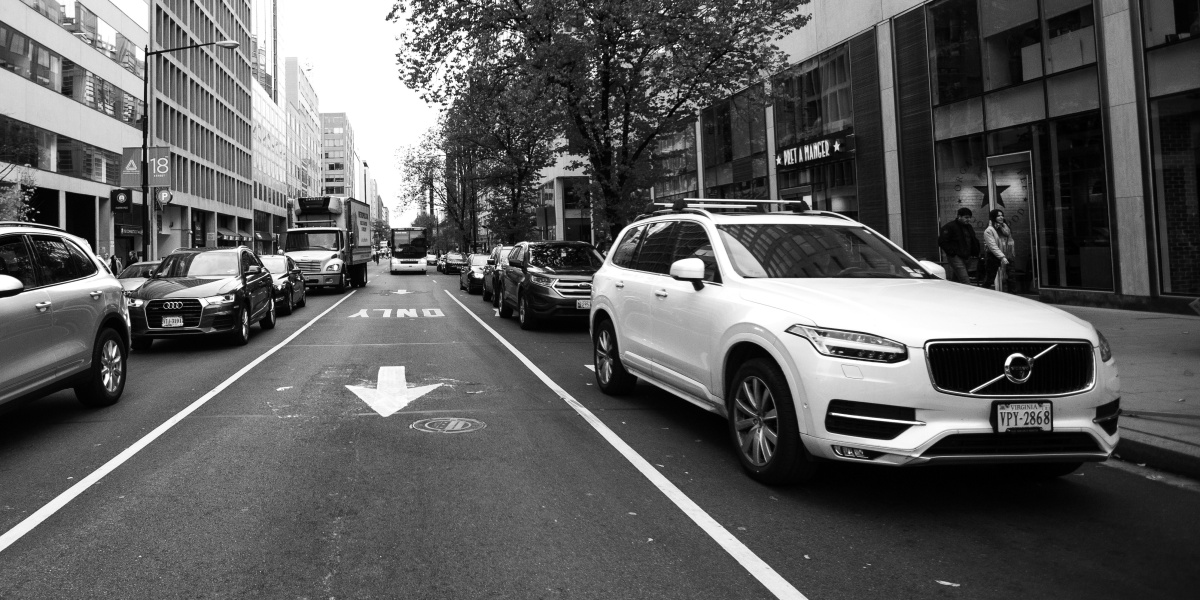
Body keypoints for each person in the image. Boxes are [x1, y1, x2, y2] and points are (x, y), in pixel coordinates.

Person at [938, 207, 980, 285]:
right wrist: (952, 253)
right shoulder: (950, 226)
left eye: (970, 217)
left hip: (966, 256)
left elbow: (973, 240)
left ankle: (953, 293)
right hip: (956, 256)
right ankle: (969, 296)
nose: (968, 219)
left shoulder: (969, 227)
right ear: (959, 216)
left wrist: (975, 252)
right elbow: (942, 241)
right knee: (965, 280)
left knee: (957, 278)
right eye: (966, 217)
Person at [983, 209, 1015, 292]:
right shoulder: (990, 230)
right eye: (998, 216)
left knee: (1011, 277)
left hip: (1008, 255)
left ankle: (1012, 296)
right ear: (993, 217)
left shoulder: (1005, 227)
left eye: (1002, 215)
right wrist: (1002, 257)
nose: (1001, 217)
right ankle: (982, 296)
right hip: (993, 256)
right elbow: (992, 246)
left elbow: (1009, 241)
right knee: (990, 279)